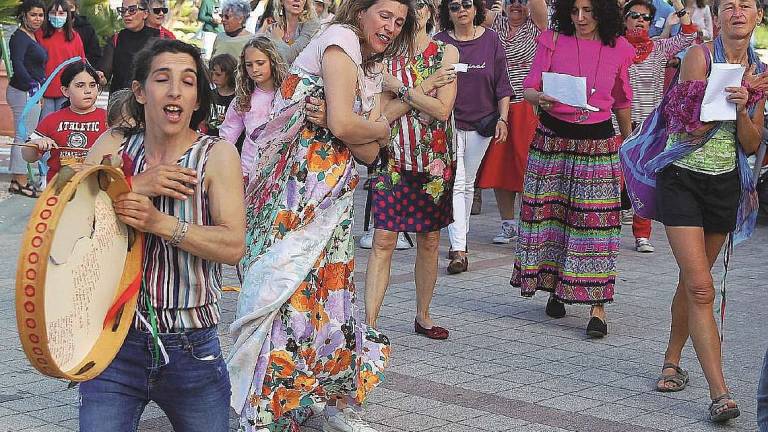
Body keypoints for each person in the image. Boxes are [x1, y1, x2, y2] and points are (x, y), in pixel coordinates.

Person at [226, 1, 416, 430]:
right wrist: (375, 126)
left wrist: (358, 127)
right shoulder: (340, 39)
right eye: (384, 15)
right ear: (362, 11)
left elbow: (366, 151)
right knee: (282, 290)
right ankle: (262, 406)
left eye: (399, 22)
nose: (391, 26)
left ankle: (324, 398)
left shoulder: (367, 64)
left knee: (328, 299)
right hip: (296, 195)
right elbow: (353, 130)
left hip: (334, 198)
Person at [80, 38, 246, 431]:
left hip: (191, 346)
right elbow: (68, 223)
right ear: (139, 91)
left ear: (196, 97)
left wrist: (159, 223)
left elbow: (233, 246)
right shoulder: (114, 146)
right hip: (113, 343)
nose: (175, 91)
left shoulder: (216, 155)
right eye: (162, 79)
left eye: (188, 82)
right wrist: (133, 184)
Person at [651, 0, 767, 421]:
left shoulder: (760, 70)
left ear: (758, 17)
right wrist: (729, 93)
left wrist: (743, 104)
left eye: (747, 6)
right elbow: (686, 123)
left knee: (693, 280)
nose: (738, 12)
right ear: (717, 17)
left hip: (725, 184)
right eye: (729, 6)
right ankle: (721, 393)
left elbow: (753, 143)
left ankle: (672, 356)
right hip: (682, 176)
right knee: (702, 287)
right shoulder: (699, 56)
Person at [513, 0, 634, 337]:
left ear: (603, 12)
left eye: (589, 10)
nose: (581, 18)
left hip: (597, 143)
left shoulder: (619, 48)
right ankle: (555, 287)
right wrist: (538, 98)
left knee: (595, 224)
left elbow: (622, 100)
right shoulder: (552, 39)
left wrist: (631, 144)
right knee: (553, 218)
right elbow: (529, 87)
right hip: (553, 140)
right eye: (575, 10)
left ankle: (598, 308)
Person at [364, 0, 458, 340]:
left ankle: (423, 315)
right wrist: (425, 87)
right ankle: (370, 324)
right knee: (383, 238)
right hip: (392, 158)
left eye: (422, 5)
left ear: (431, 12)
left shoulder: (446, 53)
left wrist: (401, 89)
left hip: (434, 161)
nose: (416, 11)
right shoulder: (383, 55)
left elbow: (443, 110)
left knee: (430, 240)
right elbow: (379, 118)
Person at [434, 0, 512, 274]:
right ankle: (458, 248)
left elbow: (503, 84)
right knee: (457, 181)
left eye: (467, 4)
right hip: (449, 122)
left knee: (467, 182)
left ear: (477, 9)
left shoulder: (491, 40)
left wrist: (503, 118)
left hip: (483, 123)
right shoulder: (440, 42)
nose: (462, 10)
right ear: (447, 13)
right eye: (454, 7)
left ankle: (460, 241)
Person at [623, 0, 696, 253]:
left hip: (647, 126)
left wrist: (678, 4)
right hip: (616, 122)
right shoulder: (614, 45)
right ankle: (606, 230)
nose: (639, 20)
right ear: (624, 20)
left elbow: (689, 35)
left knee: (645, 176)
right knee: (612, 178)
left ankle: (642, 234)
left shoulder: (659, 48)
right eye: (634, 15)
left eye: (645, 17)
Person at [478, 0, 548, 244]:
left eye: (521, 1)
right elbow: (471, 8)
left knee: (527, 167)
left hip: (526, 107)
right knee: (500, 166)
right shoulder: (496, 22)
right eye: (512, 1)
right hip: (498, 106)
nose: (516, 5)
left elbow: (538, 6)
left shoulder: (536, 26)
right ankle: (507, 224)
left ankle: (530, 224)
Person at [22, 62, 107, 182]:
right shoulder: (52, 120)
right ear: (65, 91)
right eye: (80, 85)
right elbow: (27, 156)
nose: (88, 90)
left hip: (96, 192)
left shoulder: (108, 119)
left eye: (92, 85)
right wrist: (35, 144)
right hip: (59, 191)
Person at [220, 37, 283, 165]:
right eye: (249, 65)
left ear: (272, 61)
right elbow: (226, 138)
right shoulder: (243, 99)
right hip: (248, 169)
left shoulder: (288, 95)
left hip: (280, 170)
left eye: (260, 63)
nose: (254, 69)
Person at [6, 0, 47, 198]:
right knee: (23, 137)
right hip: (23, 92)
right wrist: (32, 85)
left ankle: (17, 180)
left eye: (40, 15)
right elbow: (18, 64)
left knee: (25, 135)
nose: (38, 19)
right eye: (33, 15)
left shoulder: (31, 35)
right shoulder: (19, 37)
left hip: (32, 91)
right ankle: (20, 181)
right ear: (24, 15)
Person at [36, 0, 86, 120]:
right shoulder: (39, 34)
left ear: (67, 15)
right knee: (45, 125)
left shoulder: (74, 37)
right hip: (44, 91)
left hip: (66, 91)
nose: (57, 16)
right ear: (47, 14)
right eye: (53, 12)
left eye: (61, 13)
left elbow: (81, 63)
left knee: (61, 125)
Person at [100, 0, 161, 95]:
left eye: (132, 10)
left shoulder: (159, 38)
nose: (126, 14)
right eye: (123, 10)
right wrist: (99, 77)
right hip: (120, 101)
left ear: (145, 14)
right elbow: (104, 75)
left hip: (149, 100)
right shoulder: (116, 38)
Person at [262, 0, 321, 64]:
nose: (297, 0)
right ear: (281, 1)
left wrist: (277, 39)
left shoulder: (312, 24)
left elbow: (292, 57)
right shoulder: (275, 25)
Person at [204, 53, 238, 138]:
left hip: (230, 143)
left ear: (230, 74)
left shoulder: (237, 98)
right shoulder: (209, 94)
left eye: (218, 74)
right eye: (212, 74)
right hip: (210, 140)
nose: (214, 78)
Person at [65, 0, 102, 67]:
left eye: (70, 7)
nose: (67, 10)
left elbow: (95, 54)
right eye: (64, 7)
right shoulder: (51, 29)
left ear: (76, 9)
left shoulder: (87, 29)